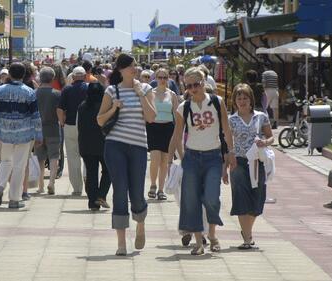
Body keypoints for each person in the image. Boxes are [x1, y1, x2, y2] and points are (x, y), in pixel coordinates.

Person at [167, 67, 236, 255]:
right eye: (188, 86)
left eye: (196, 84)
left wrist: (230, 153)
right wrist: (174, 159)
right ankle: (199, 242)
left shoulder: (216, 101)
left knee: (212, 197)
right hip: (192, 157)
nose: (193, 89)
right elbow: (177, 135)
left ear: (204, 83)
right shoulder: (184, 107)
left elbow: (226, 129)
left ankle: (212, 235)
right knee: (191, 200)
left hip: (213, 156)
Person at [97, 54, 156, 256]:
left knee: (137, 193)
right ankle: (121, 243)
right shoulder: (112, 91)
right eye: (131, 66)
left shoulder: (146, 89)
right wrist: (114, 108)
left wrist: (140, 94)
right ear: (121, 70)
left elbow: (151, 117)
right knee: (120, 191)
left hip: (138, 146)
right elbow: (99, 120)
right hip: (115, 145)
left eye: (136, 66)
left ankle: (140, 223)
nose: (135, 69)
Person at [227, 83, 274, 249]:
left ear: (251, 100)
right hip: (238, 162)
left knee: (257, 198)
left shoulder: (261, 117)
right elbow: (227, 144)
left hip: (257, 162)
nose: (242, 101)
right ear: (234, 101)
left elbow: (271, 137)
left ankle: (247, 230)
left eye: (245, 98)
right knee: (240, 198)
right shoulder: (231, 120)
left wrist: (264, 142)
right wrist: (225, 166)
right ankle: (247, 238)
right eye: (239, 98)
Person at [0, 62, 42, 208]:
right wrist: (38, 135)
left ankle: (0, 187)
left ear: (10, 74)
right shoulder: (29, 92)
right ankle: (14, 199)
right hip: (24, 135)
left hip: (5, 134)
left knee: (6, 162)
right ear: (23, 75)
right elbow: (35, 116)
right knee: (19, 165)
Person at [78, 83, 111, 211]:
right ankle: (101, 195)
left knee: (91, 173)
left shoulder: (82, 106)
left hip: (86, 144)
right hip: (104, 144)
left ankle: (93, 202)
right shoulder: (105, 107)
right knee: (108, 171)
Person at [147, 68, 178, 200]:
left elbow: (176, 114)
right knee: (155, 158)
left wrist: (178, 132)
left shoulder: (172, 94)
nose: (162, 80)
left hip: (168, 127)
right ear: (156, 78)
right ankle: (153, 185)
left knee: (165, 161)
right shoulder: (150, 93)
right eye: (160, 77)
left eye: (165, 77)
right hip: (153, 126)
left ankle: (161, 189)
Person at [57, 66, 88, 196]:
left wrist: (61, 122)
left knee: (72, 156)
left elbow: (60, 109)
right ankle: (89, 180)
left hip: (70, 125)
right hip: (87, 127)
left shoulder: (67, 89)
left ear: (73, 77)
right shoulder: (90, 88)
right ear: (85, 76)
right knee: (88, 156)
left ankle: (77, 187)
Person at [35, 67, 61, 195]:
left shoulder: (34, 93)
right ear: (53, 78)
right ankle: (51, 182)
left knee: (40, 158)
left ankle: (40, 185)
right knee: (54, 156)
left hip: (38, 129)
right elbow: (59, 112)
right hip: (53, 129)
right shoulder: (57, 93)